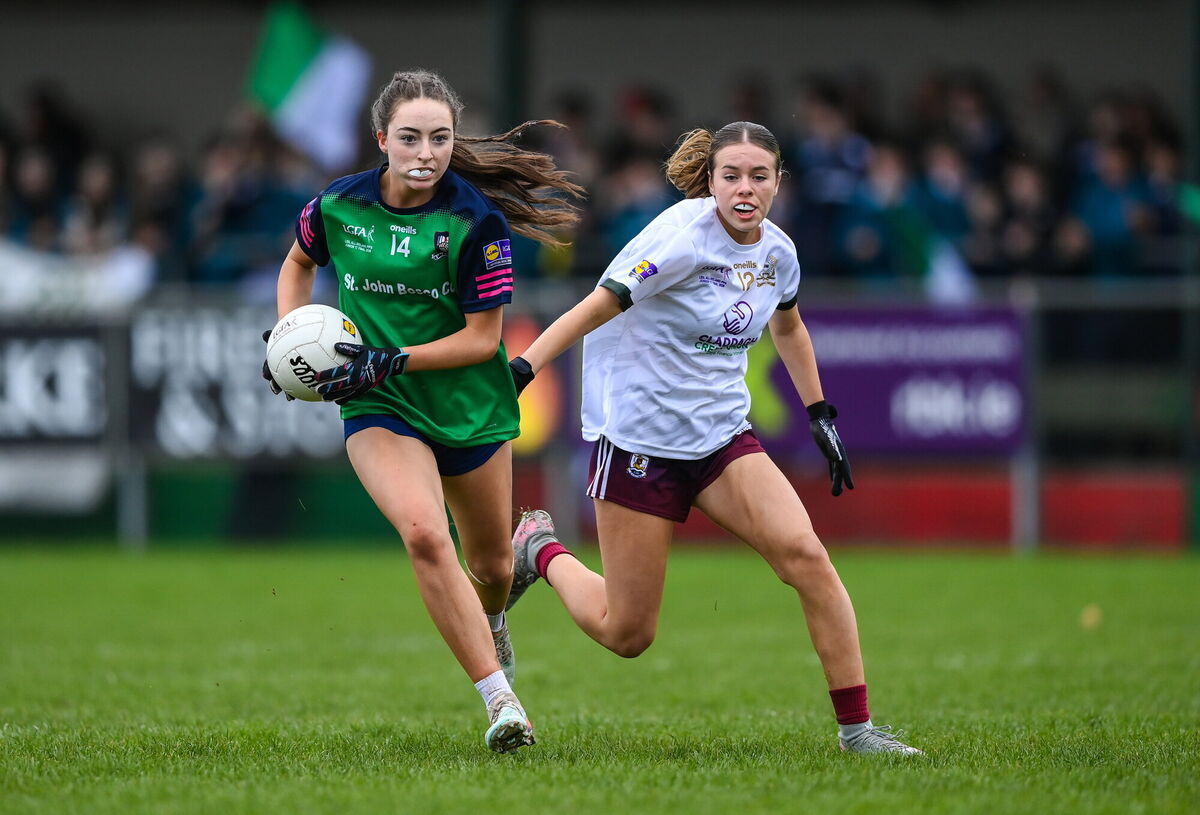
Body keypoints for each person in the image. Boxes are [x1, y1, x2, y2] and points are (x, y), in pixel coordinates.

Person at [505, 121, 923, 755]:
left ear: (779, 182)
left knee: (808, 560)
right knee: (628, 634)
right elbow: (596, 305)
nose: (745, 188)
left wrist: (820, 414)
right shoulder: (678, 241)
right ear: (710, 181)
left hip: (722, 439)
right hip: (641, 442)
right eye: (731, 176)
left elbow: (789, 327)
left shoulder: (778, 252)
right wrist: (523, 369)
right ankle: (539, 548)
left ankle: (858, 734)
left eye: (759, 176)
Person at [261, 69, 583, 753]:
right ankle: (501, 702)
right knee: (425, 534)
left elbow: (483, 341)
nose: (426, 152)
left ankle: (502, 598)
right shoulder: (337, 205)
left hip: (469, 405)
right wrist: (289, 337)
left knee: (491, 567)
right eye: (409, 137)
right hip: (378, 403)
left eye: (440, 138)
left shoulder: (476, 222)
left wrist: (390, 356)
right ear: (382, 139)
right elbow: (297, 264)